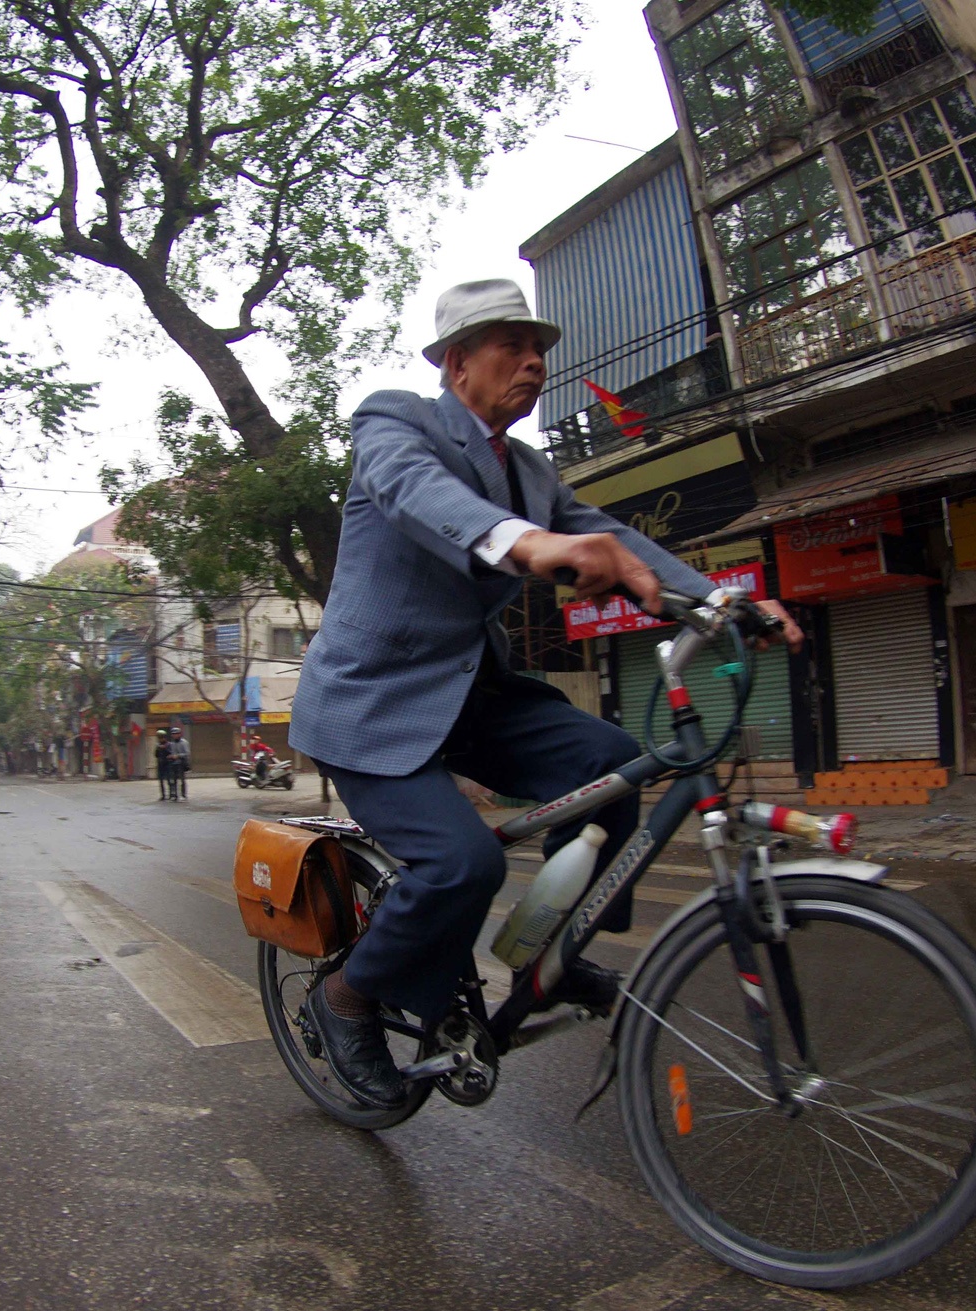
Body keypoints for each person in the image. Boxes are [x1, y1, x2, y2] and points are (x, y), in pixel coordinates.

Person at [287, 279, 802, 1109]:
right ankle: (346, 996)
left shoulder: (528, 469)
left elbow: (613, 536)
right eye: (512, 346)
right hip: (371, 706)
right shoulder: (395, 422)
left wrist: (719, 600)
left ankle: (549, 957)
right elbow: (420, 494)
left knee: (615, 765)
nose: (534, 363)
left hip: (473, 696)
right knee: (463, 863)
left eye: (540, 351)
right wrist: (530, 545)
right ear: (458, 363)